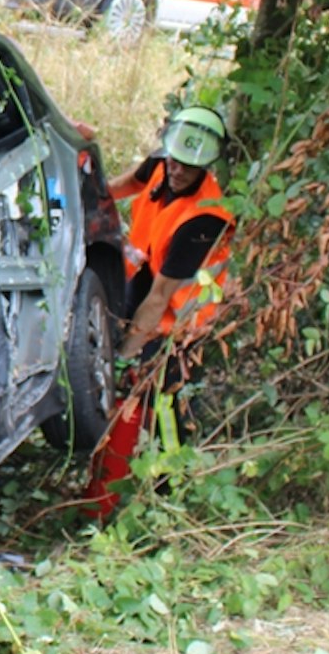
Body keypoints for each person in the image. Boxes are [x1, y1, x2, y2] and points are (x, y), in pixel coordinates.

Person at [83, 106, 236, 518]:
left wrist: (129, 353)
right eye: (172, 161)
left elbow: (162, 299)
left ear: (204, 166)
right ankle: (114, 479)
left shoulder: (202, 220)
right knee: (127, 394)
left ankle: (171, 495)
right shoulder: (161, 163)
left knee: (162, 404)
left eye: (188, 167)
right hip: (145, 280)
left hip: (179, 322)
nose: (176, 171)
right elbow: (121, 186)